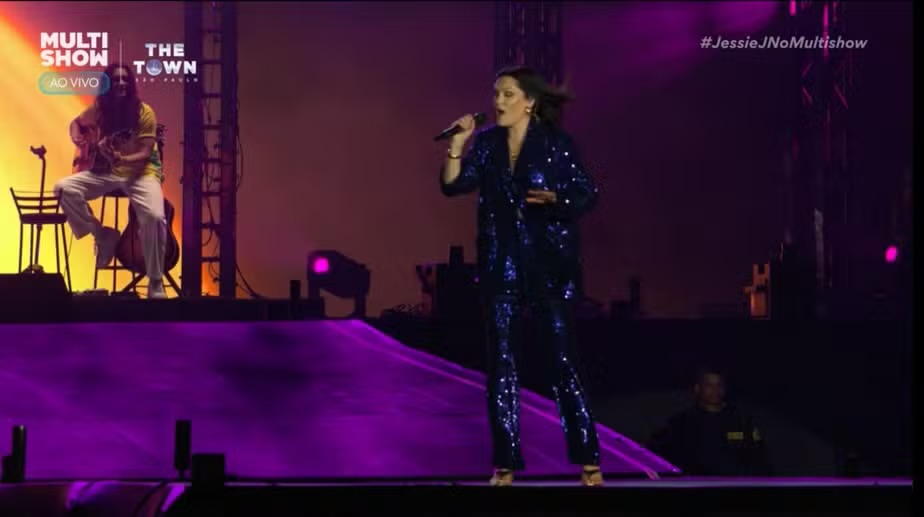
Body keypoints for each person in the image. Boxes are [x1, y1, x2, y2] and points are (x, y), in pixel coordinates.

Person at [439, 66, 602, 486]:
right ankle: (505, 464)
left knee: (562, 361)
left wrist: (556, 198)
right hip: (501, 265)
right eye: (496, 94)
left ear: (529, 101)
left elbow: (587, 194)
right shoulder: (487, 144)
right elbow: (454, 186)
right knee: (502, 366)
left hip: (548, 266)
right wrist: (457, 145)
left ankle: (588, 460)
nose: (498, 102)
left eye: (508, 94)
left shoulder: (556, 144)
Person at [54, 63, 167, 299]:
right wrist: (76, 136)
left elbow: (145, 153)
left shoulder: (144, 112)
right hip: (108, 172)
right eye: (116, 79)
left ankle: (155, 281)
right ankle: (102, 235)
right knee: (63, 188)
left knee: (155, 218)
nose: (121, 83)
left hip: (141, 173)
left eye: (125, 79)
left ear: (131, 84)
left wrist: (121, 157)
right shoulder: (100, 109)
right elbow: (76, 123)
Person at [648, 368, 772, 476]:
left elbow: (760, 458)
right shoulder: (681, 422)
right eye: (709, 385)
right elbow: (656, 453)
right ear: (697, 388)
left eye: (719, 385)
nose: (715, 390)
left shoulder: (741, 420)